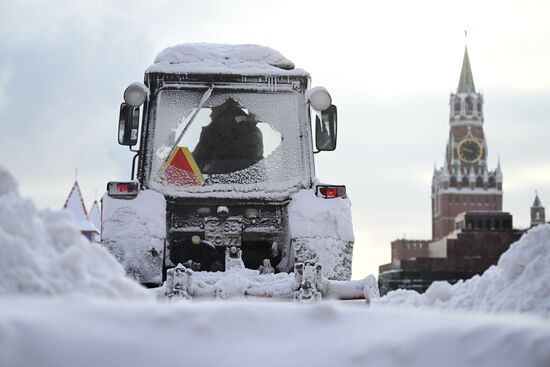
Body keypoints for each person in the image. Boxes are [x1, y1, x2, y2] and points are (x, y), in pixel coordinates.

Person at [193, 98, 263, 174]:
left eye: (213, 107)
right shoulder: (218, 130)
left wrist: (205, 169)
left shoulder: (244, 132)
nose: (211, 113)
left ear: (223, 104)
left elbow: (226, 165)